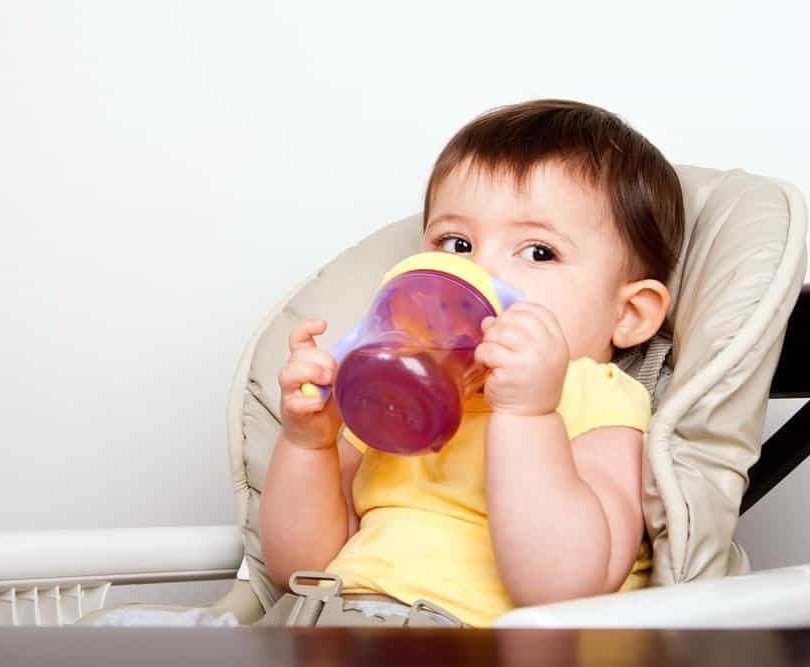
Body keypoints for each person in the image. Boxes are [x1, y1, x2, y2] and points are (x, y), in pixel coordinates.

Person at [261, 98, 685, 627]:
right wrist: (310, 445)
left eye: (537, 252)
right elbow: (297, 564)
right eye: (456, 243)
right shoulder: (397, 385)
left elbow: (563, 586)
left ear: (628, 315)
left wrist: (529, 415)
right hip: (325, 621)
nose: (478, 270)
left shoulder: (595, 396)